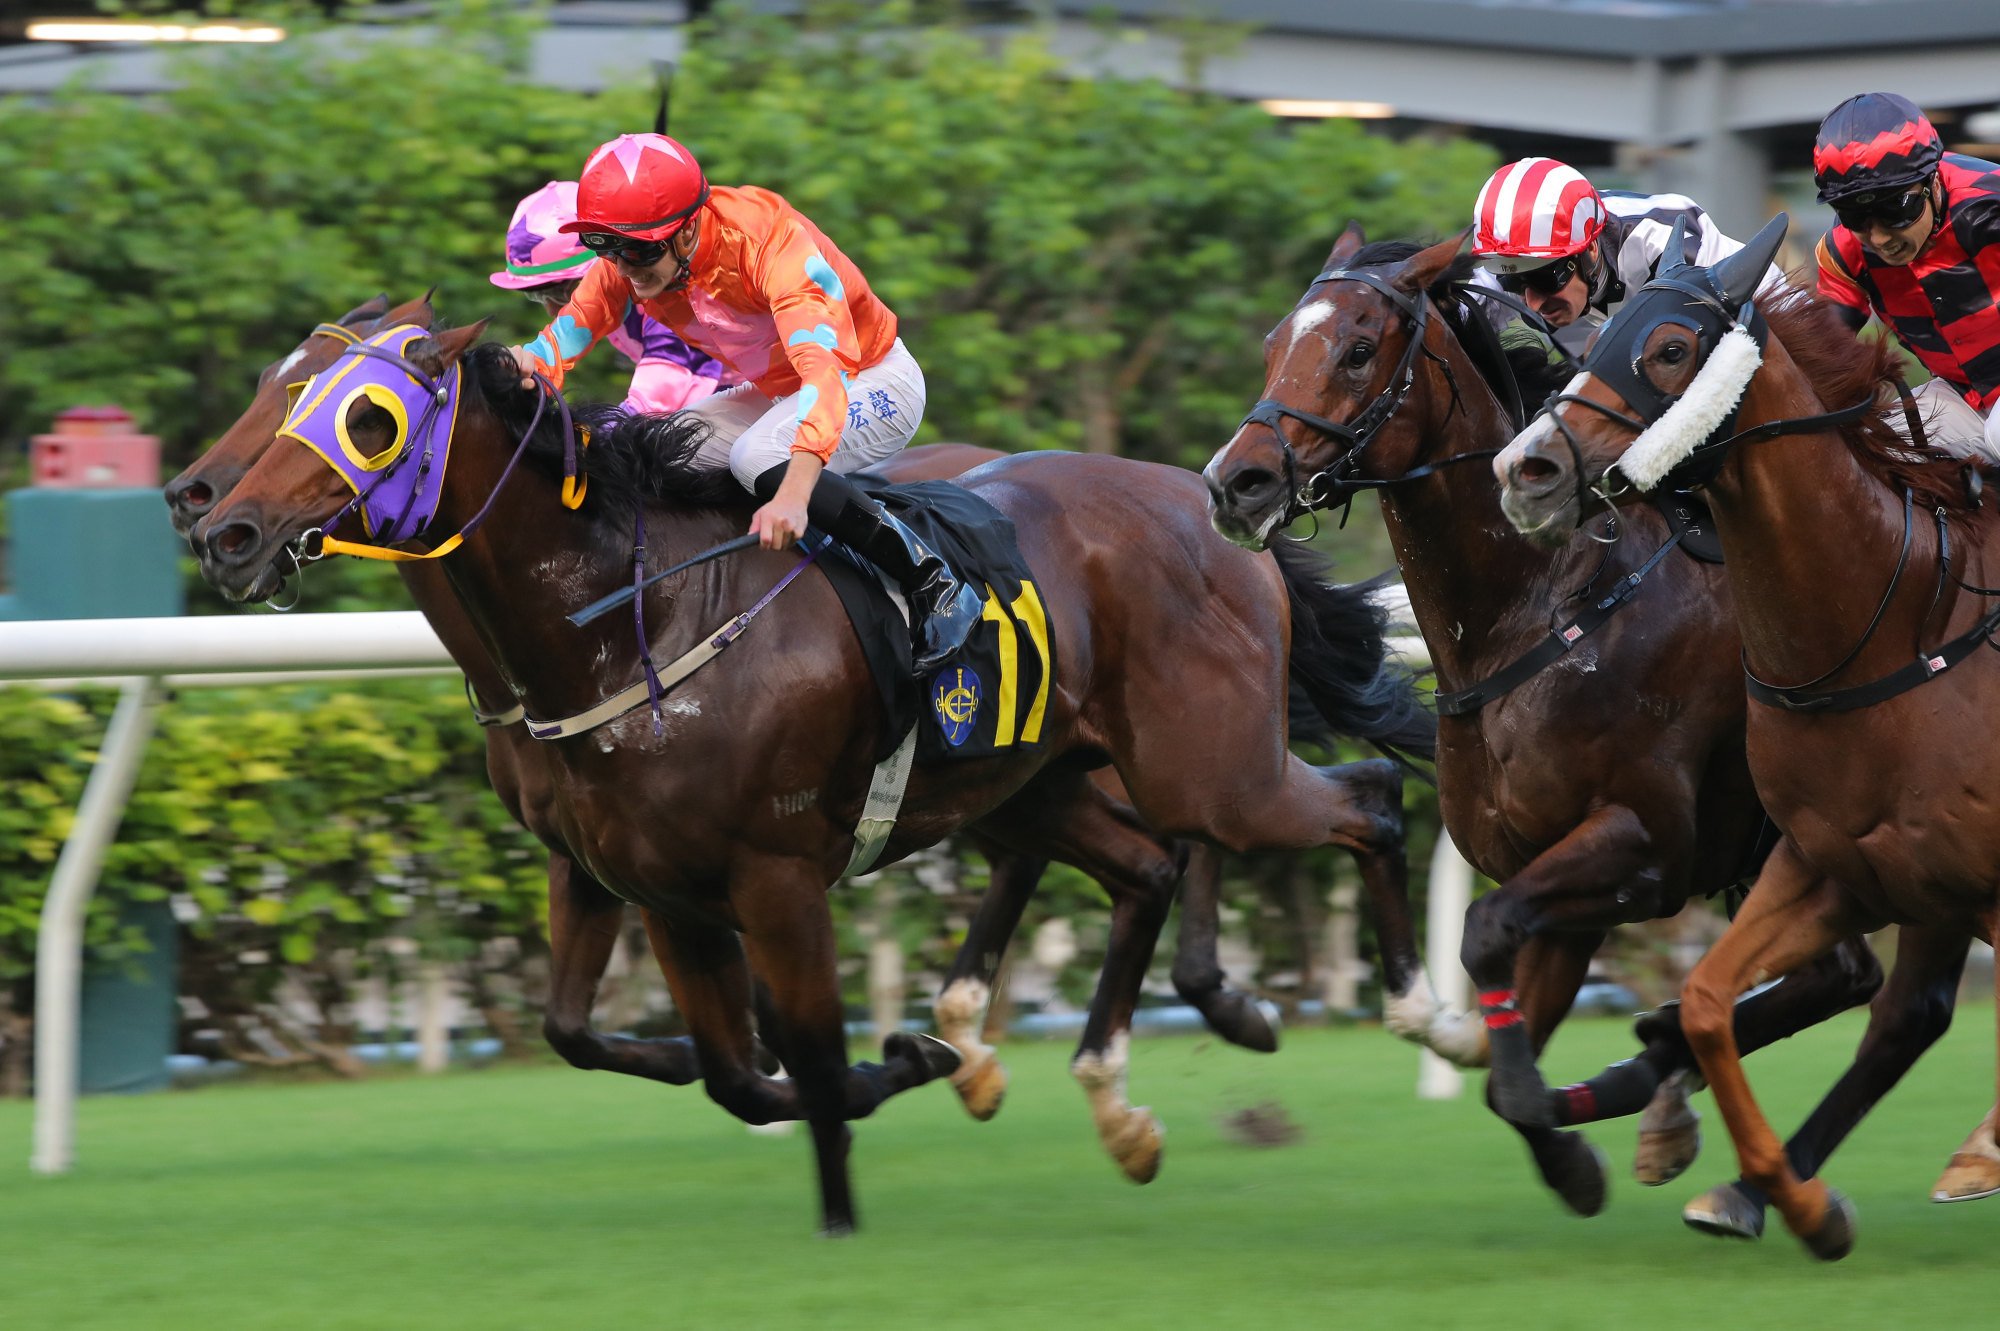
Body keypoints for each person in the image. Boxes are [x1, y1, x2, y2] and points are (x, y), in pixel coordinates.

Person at [510, 133, 979, 676]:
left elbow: (822, 378)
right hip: (782, 393)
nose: (624, 269)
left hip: (869, 380)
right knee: (659, 447)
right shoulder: (632, 257)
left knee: (759, 458)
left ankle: (932, 579)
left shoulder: (770, 244)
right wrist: (524, 363)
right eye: (606, 249)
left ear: (686, 229)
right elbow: (567, 334)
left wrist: (795, 497)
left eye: (638, 252)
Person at [1812, 92, 2000, 465]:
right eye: (1855, 217)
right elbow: (1821, 355)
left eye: (1896, 211)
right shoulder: (1841, 252)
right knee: (1865, 454)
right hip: (1961, 395)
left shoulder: (1988, 205)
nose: (1880, 238)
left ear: (1932, 183)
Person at [1466, 157, 1784, 349]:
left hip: (1768, 315)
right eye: (1513, 283)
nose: (1532, 302)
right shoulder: (1509, 261)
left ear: (1589, 250)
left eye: (1543, 278)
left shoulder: (1654, 241)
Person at [490, 180, 733, 414]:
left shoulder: (664, 297)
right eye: (540, 296)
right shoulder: (617, 305)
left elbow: (654, 405)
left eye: (560, 292)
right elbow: (546, 354)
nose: (553, 311)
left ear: (608, 263)